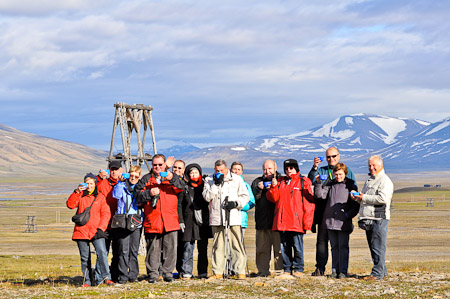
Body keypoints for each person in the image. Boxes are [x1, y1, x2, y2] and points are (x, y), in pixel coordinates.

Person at [307, 147, 356, 276]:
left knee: (341, 244)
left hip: (341, 214)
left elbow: (352, 193)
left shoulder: (347, 171)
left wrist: (348, 214)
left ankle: (341, 270)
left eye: (334, 156)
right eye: (328, 157)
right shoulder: (322, 170)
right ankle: (321, 268)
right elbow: (311, 182)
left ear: (338, 156)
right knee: (322, 242)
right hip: (324, 212)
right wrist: (314, 168)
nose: (331, 159)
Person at [135, 154, 184, 283]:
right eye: (155, 165)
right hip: (153, 219)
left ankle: (168, 273)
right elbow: (137, 196)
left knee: (170, 248)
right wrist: (148, 193)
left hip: (170, 219)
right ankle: (153, 274)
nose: (157, 167)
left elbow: (182, 187)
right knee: (153, 249)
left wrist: (172, 177)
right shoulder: (146, 179)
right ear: (152, 166)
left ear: (164, 165)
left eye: (160, 165)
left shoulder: (171, 177)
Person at [267, 159, 315, 278]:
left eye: (291, 168)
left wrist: (307, 223)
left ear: (296, 168)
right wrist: (273, 187)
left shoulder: (303, 181)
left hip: (296, 221)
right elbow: (273, 198)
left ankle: (298, 268)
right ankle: (287, 268)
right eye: (287, 168)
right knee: (284, 247)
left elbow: (309, 204)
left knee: (297, 246)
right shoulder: (280, 181)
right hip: (282, 220)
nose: (289, 171)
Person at [202, 159, 250, 280]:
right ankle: (217, 271)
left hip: (233, 217)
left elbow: (245, 196)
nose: (219, 172)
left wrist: (236, 203)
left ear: (226, 169)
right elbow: (207, 197)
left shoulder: (236, 179)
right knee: (218, 245)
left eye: (222, 170)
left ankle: (240, 271)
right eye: (217, 170)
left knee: (236, 244)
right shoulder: (209, 180)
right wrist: (216, 185)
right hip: (217, 217)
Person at [67, 173, 113, 287]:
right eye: (87, 183)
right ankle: (87, 281)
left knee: (102, 253)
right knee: (85, 257)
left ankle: (106, 277)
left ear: (95, 184)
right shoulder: (80, 195)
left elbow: (106, 214)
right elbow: (70, 205)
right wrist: (77, 192)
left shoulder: (100, 197)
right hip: (81, 231)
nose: (89, 186)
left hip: (96, 231)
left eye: (91, 183)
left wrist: (101, 228)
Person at [352, 155, 394, 280]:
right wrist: (358, 199)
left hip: (379, 218)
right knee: (373, 246)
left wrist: (363, 197)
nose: (371, 168)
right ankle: (382, 271)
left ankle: (377, 274)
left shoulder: (385, 181)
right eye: (369, 165)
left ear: (381, 165)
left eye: (374, 165)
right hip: (369, 218)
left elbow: (383, 199)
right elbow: (367, 199)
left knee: (378, 246)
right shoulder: (370, 180)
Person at [178, 163, 212, 279]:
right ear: (188, 174)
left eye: (196, 172)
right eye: (191, 173)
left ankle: (202, 272)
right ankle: (187, 271)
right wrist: (181, 220)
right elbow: (179, 205)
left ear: (200, 174)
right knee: (188, 247)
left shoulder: (205, 187)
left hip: (203, 222)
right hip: (188, 222)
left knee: (203, 249)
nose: (193, 175)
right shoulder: (185, 187)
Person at [251, 159, 284, 277]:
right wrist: (258, 189)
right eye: (265, 169)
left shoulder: (282, 180)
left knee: (279, 250)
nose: (267, 171)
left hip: (278, 222)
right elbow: (252, 199)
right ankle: (263, 271)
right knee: (262, 249)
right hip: (262, 221)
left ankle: (280, 271)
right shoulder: (257, 182)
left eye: (269, 168)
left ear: (275, 168)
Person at [112, 165, 144, 284]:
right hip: (123, 221)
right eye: (131, 175)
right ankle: (123, 275)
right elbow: (116, 195)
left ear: (139, 176)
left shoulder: (140, 188)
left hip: (136, 222)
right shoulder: (122, 186)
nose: (133, 178)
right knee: (123, 250)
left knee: (133, 250)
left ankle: (133, 275)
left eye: (136, 176)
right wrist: (120, 183)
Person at [97, 160, 124, 281]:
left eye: (116, 169)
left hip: (119, 223)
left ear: (121, 171)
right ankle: (102, 277)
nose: (114, 172)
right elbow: (92, 189)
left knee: (118, 252)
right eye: (112, 169)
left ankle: (115, 275)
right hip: (105, 224)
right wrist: (98, 178)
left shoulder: (125, 183)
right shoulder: (102, 183)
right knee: (103, 252)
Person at [230, 161, 255, 239]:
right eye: (234, 169)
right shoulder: (226, 183)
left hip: (241, 221)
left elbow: (251, 202)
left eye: (238, 169)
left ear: (241, 171)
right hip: (228, 220)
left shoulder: (246, 185)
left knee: (238, 246)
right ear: (230, 170)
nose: (236, 171)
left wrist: (238, 206)